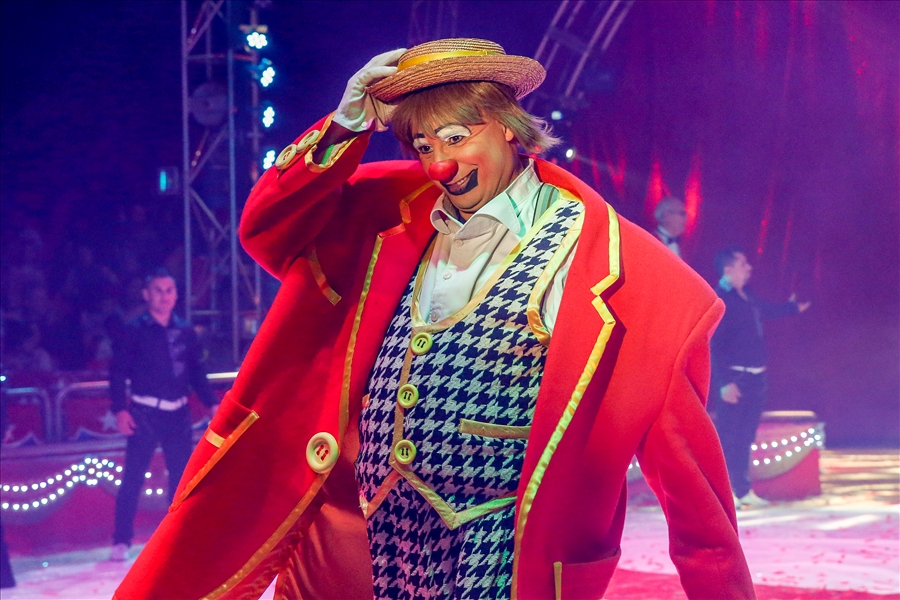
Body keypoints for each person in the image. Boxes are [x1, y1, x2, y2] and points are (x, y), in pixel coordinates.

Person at [117, 39, 755, 599]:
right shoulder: (383, 210)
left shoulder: (640, 281)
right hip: (354, 546)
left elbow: (699, 513)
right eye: (424, 145)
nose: (439, 164)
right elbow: (266, 230)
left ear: (509, 127)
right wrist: (345, 124)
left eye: (456, 137)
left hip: (498, 559)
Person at [108, 268, 218, 561]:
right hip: (144, 412)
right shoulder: (133, 330)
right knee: (133, 477)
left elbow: (197, 372)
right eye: (158, 290)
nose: (164, 296)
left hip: (178, 413)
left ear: (176, 295)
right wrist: (120, 409)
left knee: (181, 478)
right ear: (147, 294)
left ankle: (179, 537)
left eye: (169, 290)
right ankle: (121, 540)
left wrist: (212, 404)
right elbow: (117, 372)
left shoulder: (186, 331)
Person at [710, 247, 810, 509]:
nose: (749, 268)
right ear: (728, 269)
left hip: (756, 378)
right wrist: (724, 383)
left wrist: (792, 308)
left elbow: (767, 310)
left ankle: (743, 490)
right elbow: (713, 345)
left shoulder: (748, 296)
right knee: (729, 437)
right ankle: (724, 493)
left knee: (745, 436)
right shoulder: (719, 300)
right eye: (742, 264)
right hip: (735, 378)